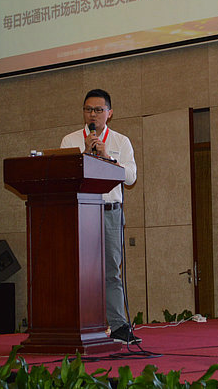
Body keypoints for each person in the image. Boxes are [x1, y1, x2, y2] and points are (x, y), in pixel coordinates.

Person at [60, 89, 140, 345]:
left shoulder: (120, 141)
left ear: (109, 113)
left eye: (98, 110)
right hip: (80, 213)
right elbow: (65, 177)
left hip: (109, 213)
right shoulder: (70, 140)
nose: (92, 115)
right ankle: (80, 326)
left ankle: (118, 327)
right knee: (79, 271)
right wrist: (84, 154)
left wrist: (107, 158)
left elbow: (130, 178)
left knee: (111, 273)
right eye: (88, 110)